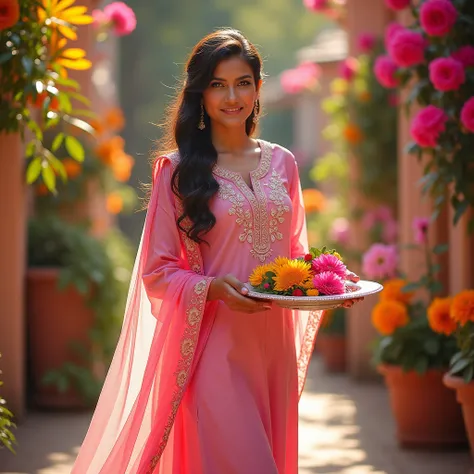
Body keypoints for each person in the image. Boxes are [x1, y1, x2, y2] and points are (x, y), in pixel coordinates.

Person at [72, 28, 360, 474]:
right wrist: (214, 289)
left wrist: (331, 276)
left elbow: (295, 255)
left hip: (272, 353)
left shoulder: (282, 163)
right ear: (200, 94)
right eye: (218, 84)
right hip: (212, 349)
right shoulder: (178, 171)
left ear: (258, 88)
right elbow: (157, 271)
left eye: (243, 82)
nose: (232, 96)